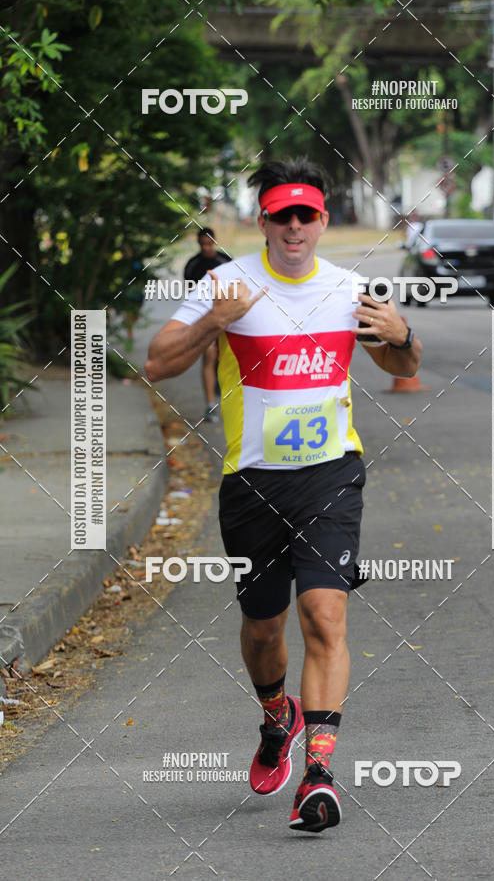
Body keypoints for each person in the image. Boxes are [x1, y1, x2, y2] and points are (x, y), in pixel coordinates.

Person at [145, 158, 422, 833]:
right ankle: (277, 718)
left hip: (331, 476)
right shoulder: (226, 283)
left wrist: (404, 338)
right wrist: (217, 322)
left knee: (325, 617)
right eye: (281, 215)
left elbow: (402, 364)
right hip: (252, 483)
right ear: (264, 221)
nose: (294, 226)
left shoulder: (351, 289)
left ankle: (319, 775)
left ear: (323, 221)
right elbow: (157, 363)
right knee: (264, 628)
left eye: (307, 214)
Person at [184, 227, 231, 422]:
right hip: (204, 318)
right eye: (203, 244)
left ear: (215, 242)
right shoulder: (192, 265)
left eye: (209, 244)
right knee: (209, 357)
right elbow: (189, 297)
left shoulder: (226, 261)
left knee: (228, 360)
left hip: (227, 317)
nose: (206, 248)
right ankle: (211, 404)